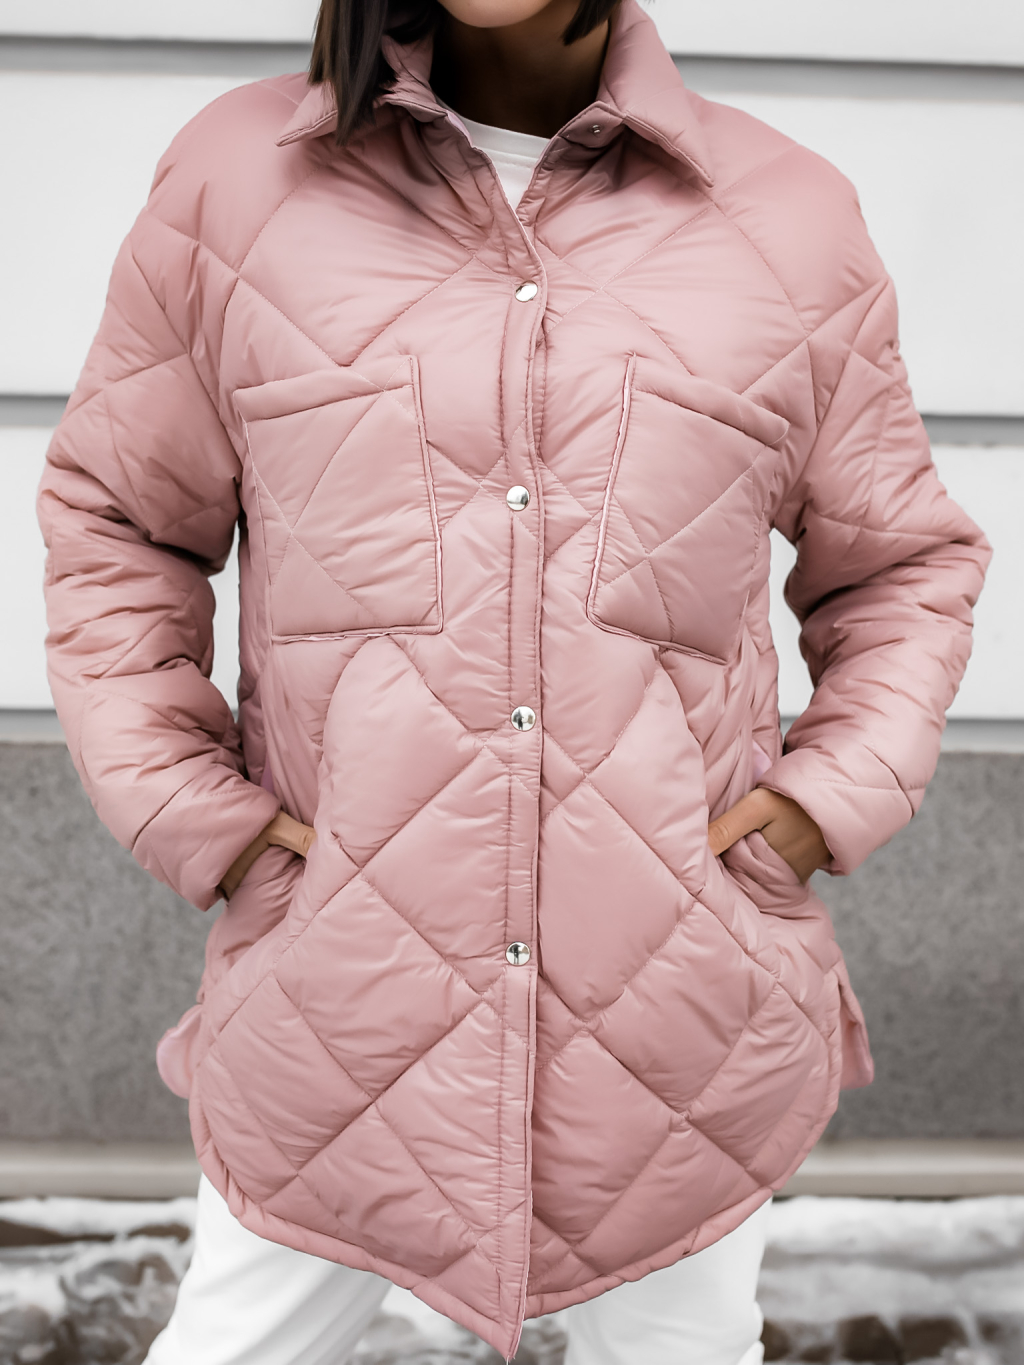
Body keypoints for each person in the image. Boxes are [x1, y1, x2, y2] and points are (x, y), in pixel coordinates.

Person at [38, 0, 989, 1360]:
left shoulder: (787, 218)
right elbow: (119, 527)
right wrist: (201, 817)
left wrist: (817, 805)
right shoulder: (238, 186)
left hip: (671, 1032)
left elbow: (898, 567)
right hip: (339, 1010)